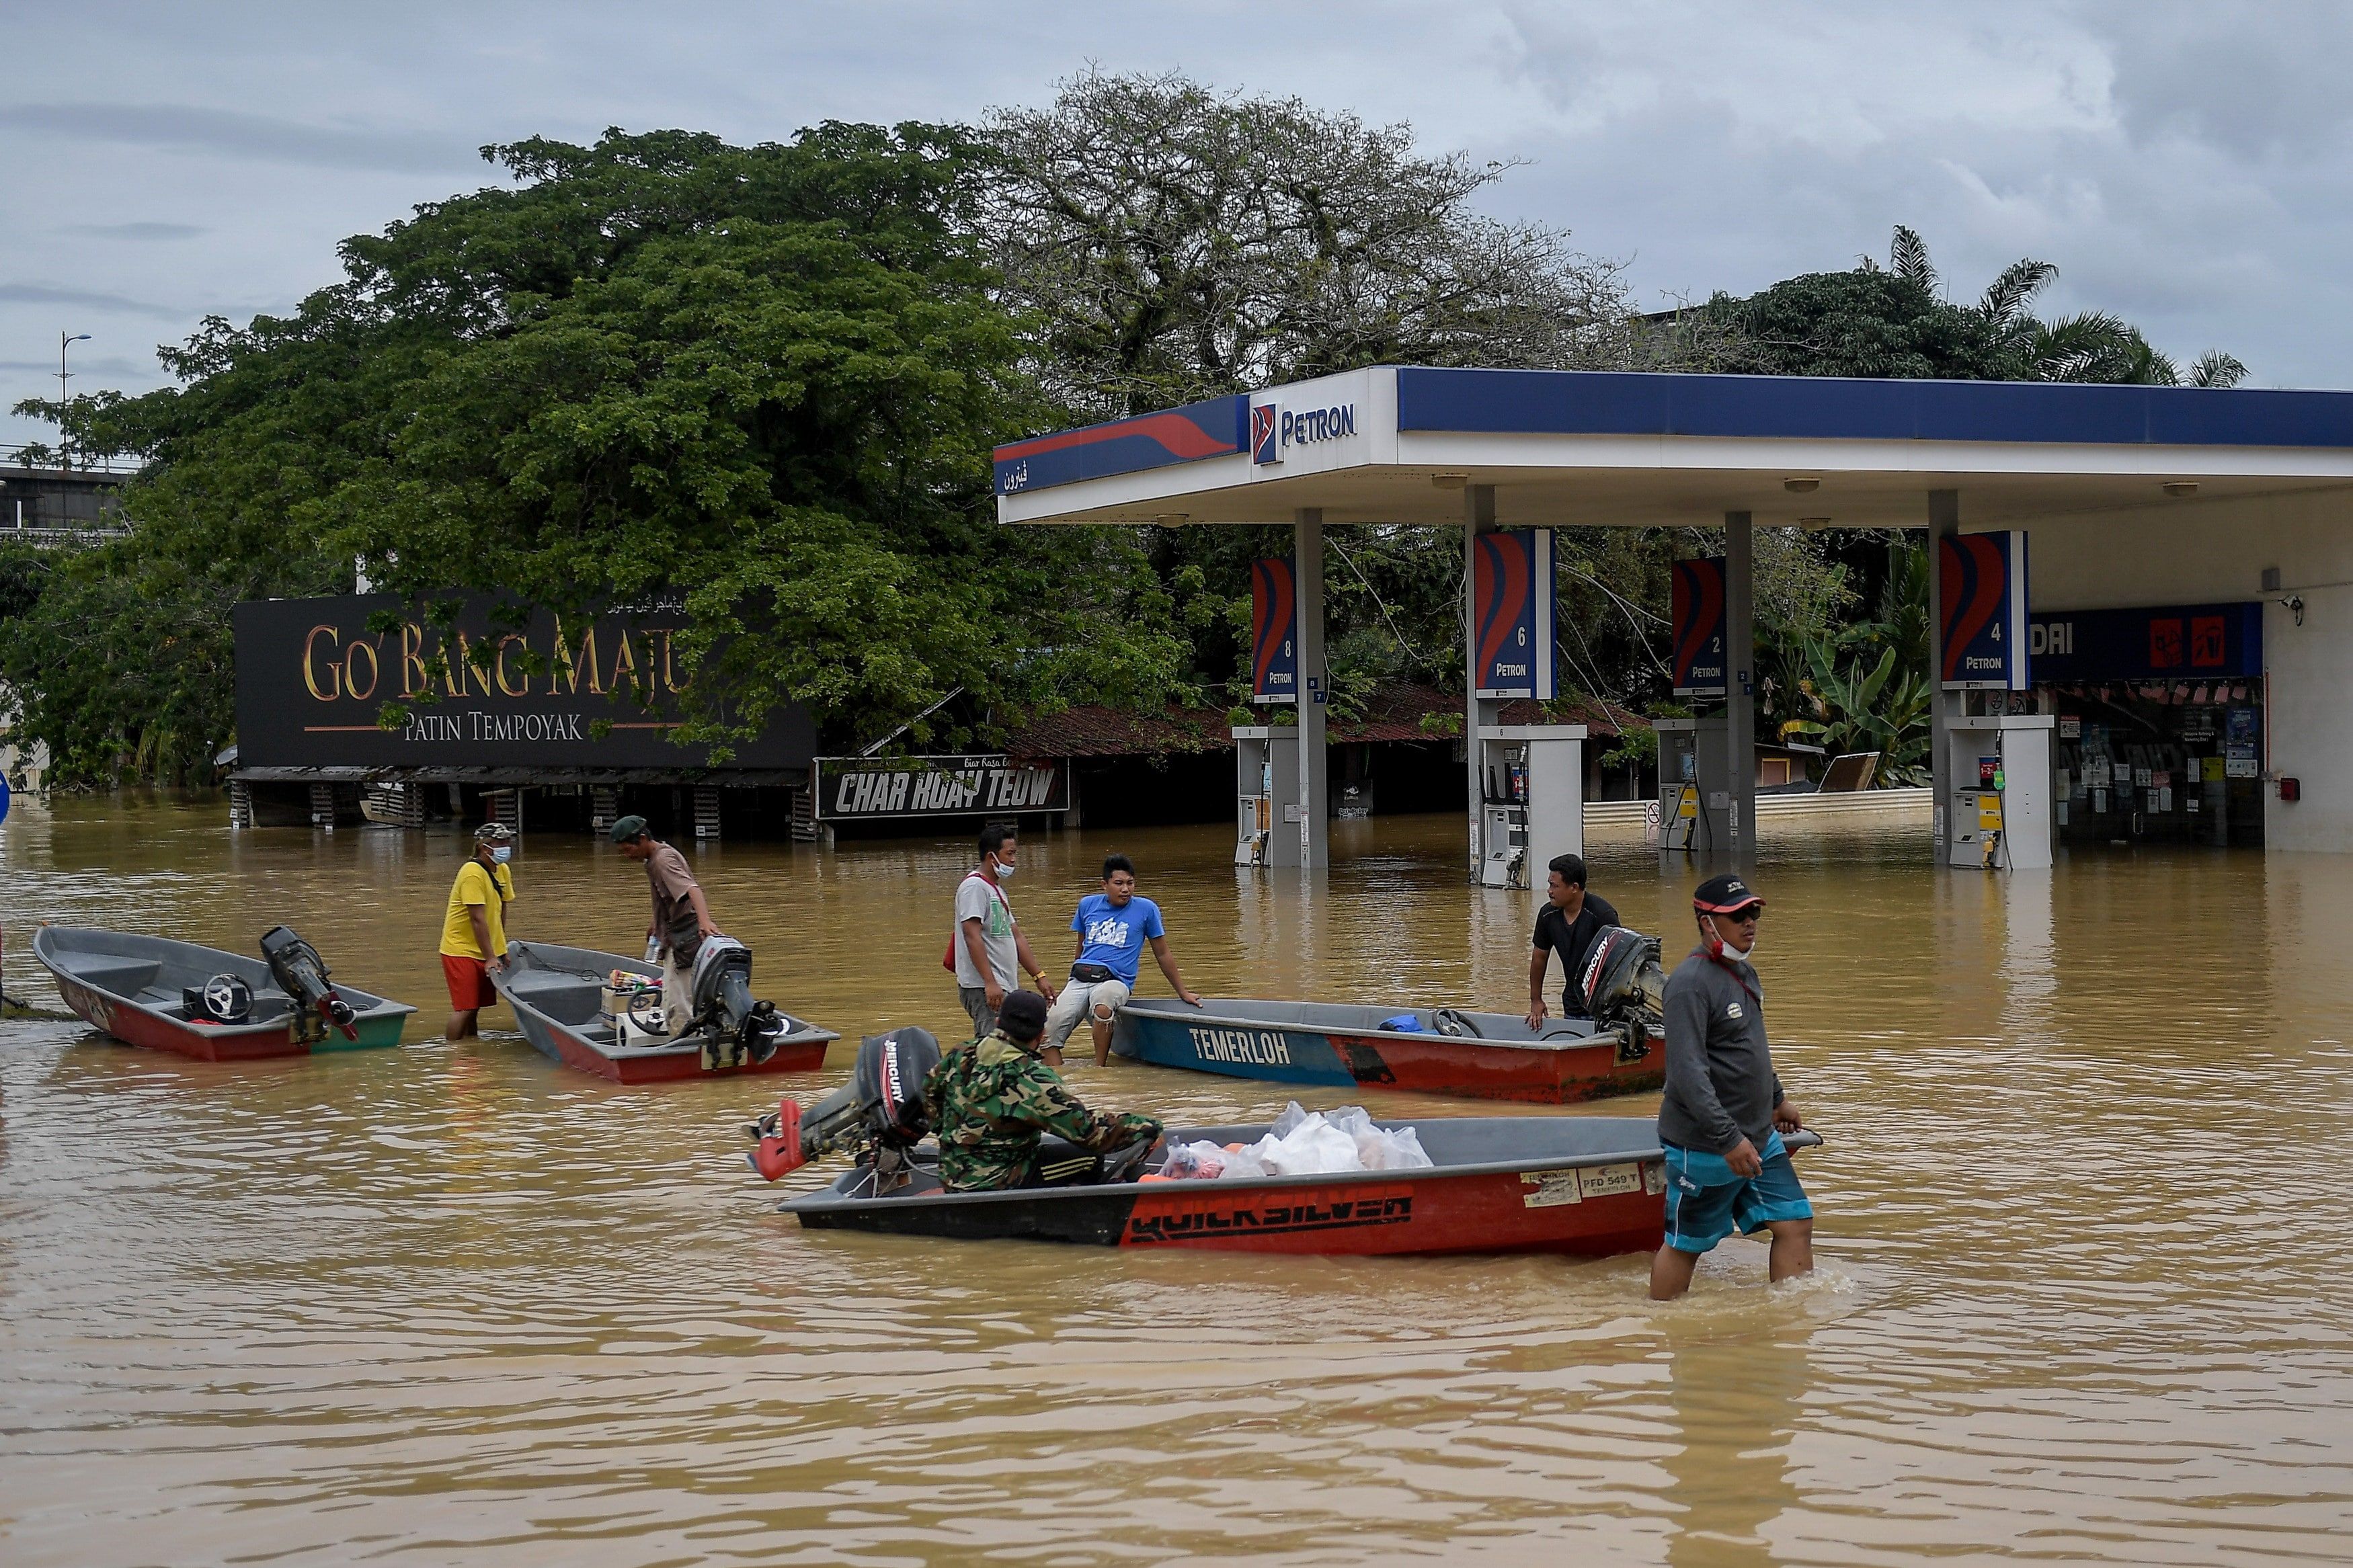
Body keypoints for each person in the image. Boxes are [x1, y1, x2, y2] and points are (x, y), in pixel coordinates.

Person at [1649, 872, 1813, 1301]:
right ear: (1706, 922)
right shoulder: (1688, 985)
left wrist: (1777, 1100)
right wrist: (1727, 1139)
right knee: (1686, 1247)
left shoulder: (1744, 973)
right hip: (1706, 1144)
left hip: (1759, 1135)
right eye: (1737, 915)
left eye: (1752, 913)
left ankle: (1789, 1326)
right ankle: (1661, 1328)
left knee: (1794, 1222)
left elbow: (1749, 1046)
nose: (1749, 922)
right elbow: (1687, 1075)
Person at [924, 989, 1164, 1192]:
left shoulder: (961, 1054)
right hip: (996, 1183)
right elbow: (1090, 1133)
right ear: (1041, 1035)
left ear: (998, 1024)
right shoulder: (1033, 1080)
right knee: (1089, 1157)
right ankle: (1081, 1219)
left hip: (951, 1174)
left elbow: (929, 1095)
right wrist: (1145, 1127)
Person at [1046, 853, 1203, 1067]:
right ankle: (1057, 1080)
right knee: (1049, 1031)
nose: (1125, 889)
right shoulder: (1087, 905)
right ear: (1105, 884)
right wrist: (1069, 984)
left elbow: (1163, 954)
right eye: (1119, 883)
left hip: (1116, 981)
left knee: (1102, 1005)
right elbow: (1081, 947)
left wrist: (1182, 992)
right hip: (1080, 978)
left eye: (1130, 883)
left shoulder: (1146, 909)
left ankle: (1099, 1070)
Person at [609, 813, 718, 1035]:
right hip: (673, 932)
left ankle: (686, 1045)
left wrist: (705, 922)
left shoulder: (663, 861)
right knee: (682, 996)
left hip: (685, 936)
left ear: (641, 839)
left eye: (628, 850)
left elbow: (692, 889)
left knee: (676, 1003)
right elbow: (666, 896)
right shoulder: (655, 858)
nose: (627, 856)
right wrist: (655, 923)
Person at [951, 823, 1055, 1042]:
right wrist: (990, 982)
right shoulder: (974, 888)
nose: (1014, 859)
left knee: (1004, 1045)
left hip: (1003, 984)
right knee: (991, 1045)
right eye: (1009, 854)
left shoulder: (996, 890)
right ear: (992, 856)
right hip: (983, 985)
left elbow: (1016, 936)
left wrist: (1039, 977)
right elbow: (972, 936)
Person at [439, 822, 517, 1040]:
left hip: (484, 949)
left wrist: (501, 949)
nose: (506, 846)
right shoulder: (472, 873)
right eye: (500, 842)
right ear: (485, 847)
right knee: (464, 1008)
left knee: (474, 1009)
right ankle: (453, 1053)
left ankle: (471, 1050)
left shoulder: (502, 870)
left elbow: (501, 910)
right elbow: (477, 919)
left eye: (507, 841)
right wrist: (491, 957)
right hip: (460, 949)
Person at [1526, 852, 1622, 1028]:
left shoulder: (1603, 916)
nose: (1549, 891)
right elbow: (1539, 958)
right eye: (1549, 885)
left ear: (1574, 887)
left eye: (1555, 886)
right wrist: (1536, 1000)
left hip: (1604, 1011)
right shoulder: (1547, 915)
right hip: (1572, 1007)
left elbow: (1619, 966)